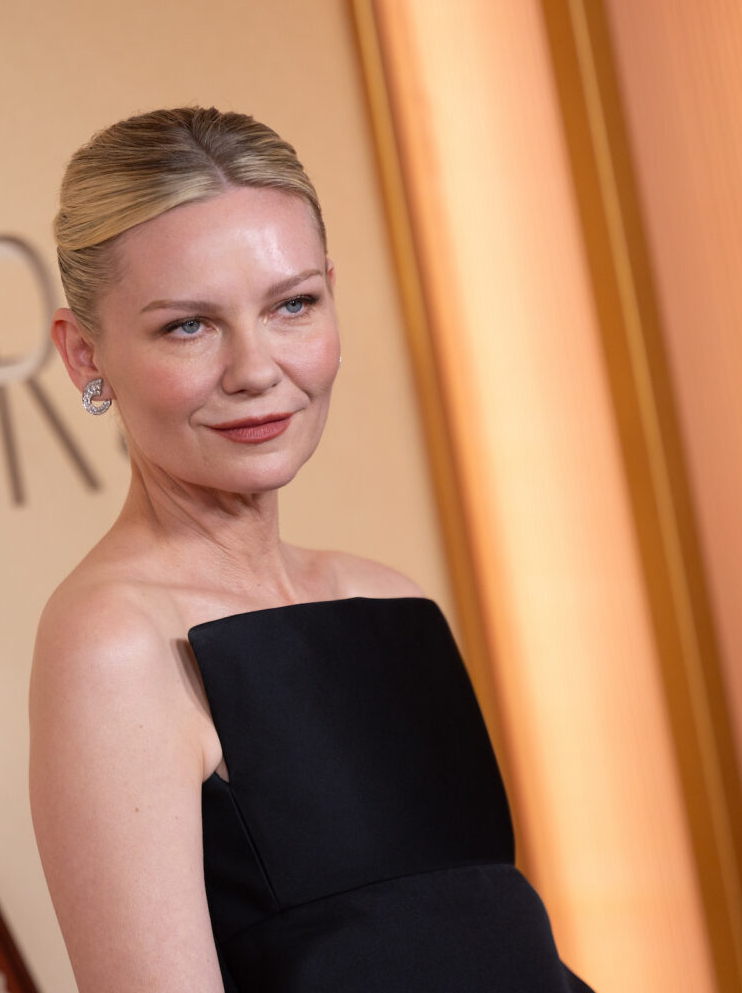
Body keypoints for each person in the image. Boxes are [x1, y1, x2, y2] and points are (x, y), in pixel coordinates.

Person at [29, 107, 592, 993]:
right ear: (83, 353)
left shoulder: (389, 600)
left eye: (293, 305)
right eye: (189, 325)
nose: (257, 368)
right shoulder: (115, 644)